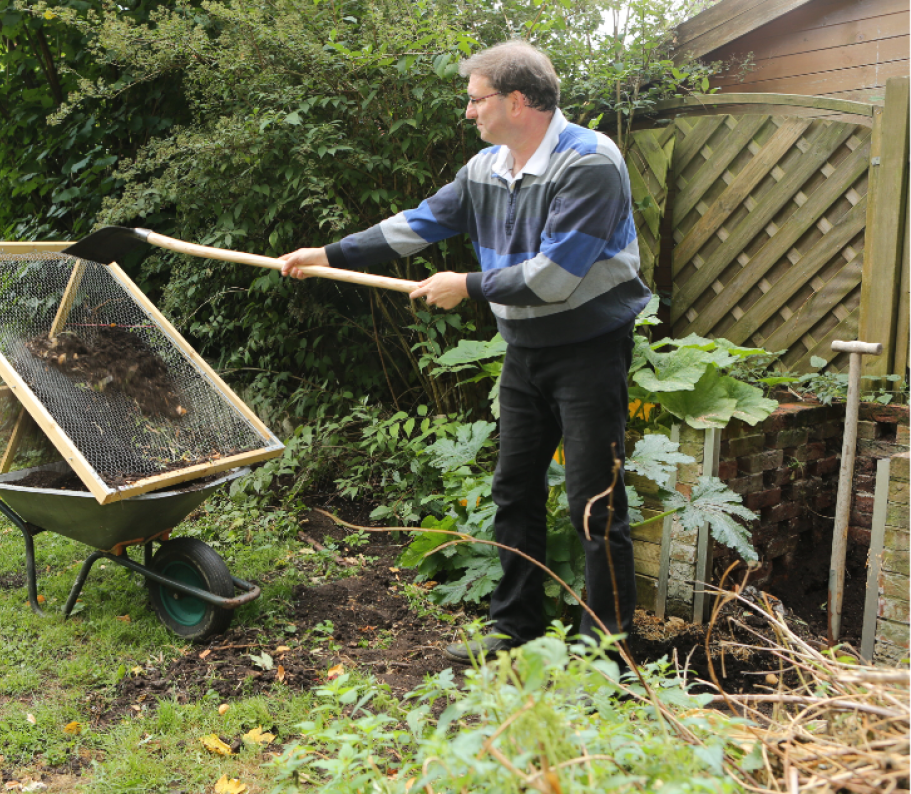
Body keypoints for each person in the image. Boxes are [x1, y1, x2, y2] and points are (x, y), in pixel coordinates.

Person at [279, 40, 651, 666]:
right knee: (514, 491)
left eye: (477, 100)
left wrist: (467, 285)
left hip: (588, 352)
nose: (469, 112)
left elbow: (556, 276)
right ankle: (515, 628)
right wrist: (329, 254)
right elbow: (419, 223)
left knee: (594, 503)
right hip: (524, 350)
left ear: (517, 100)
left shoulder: (590, 163)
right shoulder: (486, 168)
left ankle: (607, 654)